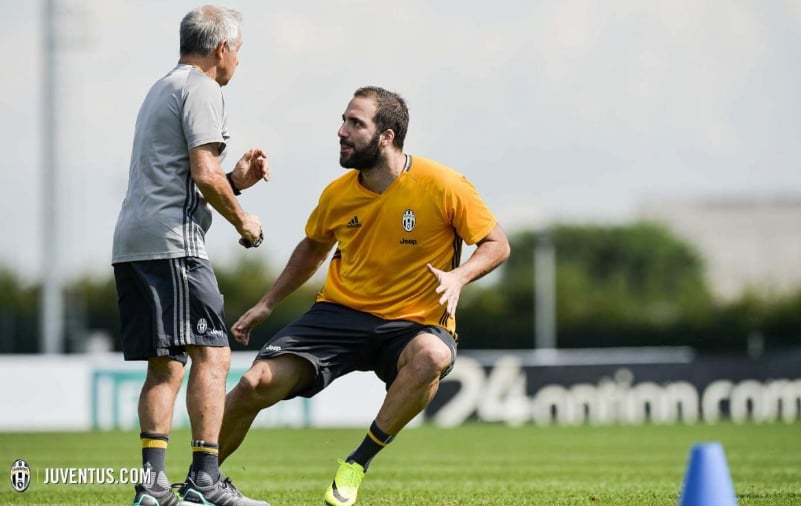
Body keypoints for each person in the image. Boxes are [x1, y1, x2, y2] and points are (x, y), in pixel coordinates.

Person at [217, 86, 511, 506]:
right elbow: (313, 248)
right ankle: (200, 479)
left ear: (386, 136)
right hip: (340, 314)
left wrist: (460, 276)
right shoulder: (337, 194)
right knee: (253, 382)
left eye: (355, 123)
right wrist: (266, 304)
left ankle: (356, 463)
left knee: (434, 356)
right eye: (343, 120)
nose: (341, 131)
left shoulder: (444, 185)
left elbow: (496, 244)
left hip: (414, 324)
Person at [111, 5, 270, 506]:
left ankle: (153, 489)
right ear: (221, 48)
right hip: (174, 245)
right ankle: (205, 480)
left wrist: (235, 180)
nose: (238, 61)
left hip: (133, 243)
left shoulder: (161, 87)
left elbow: (184, 175)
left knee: (167, 365)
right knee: (215, 355)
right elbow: (203, 172)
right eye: (238, 50)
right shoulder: (205, 88)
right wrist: (243, 217)